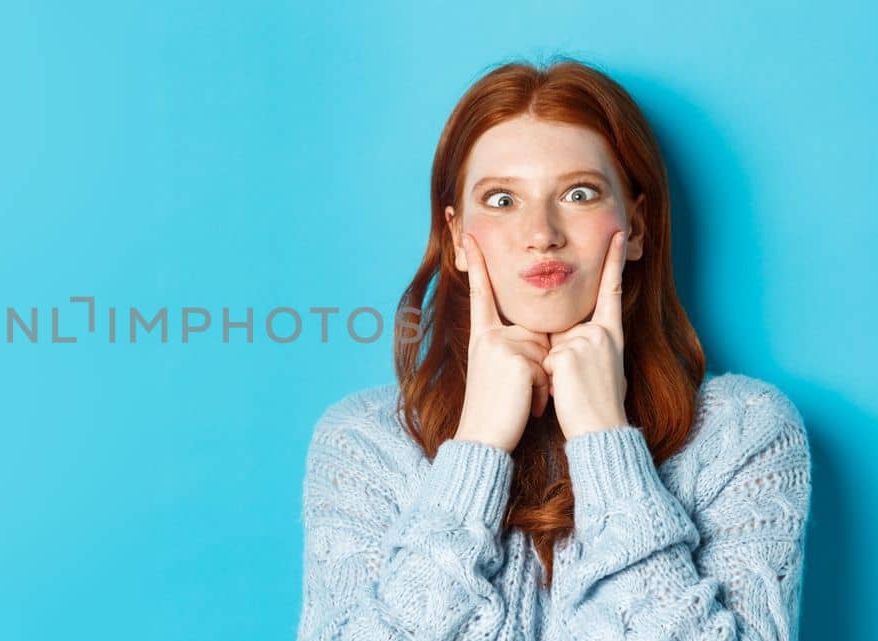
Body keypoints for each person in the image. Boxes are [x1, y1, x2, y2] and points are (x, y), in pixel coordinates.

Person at [296, 57, 812, 640]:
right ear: (456, 238)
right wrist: (475, 454)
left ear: (637, 226)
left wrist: (606, 444)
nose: (541, 232)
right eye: (501, 200)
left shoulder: (742, 432)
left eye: (579, 192)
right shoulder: (364, 443)